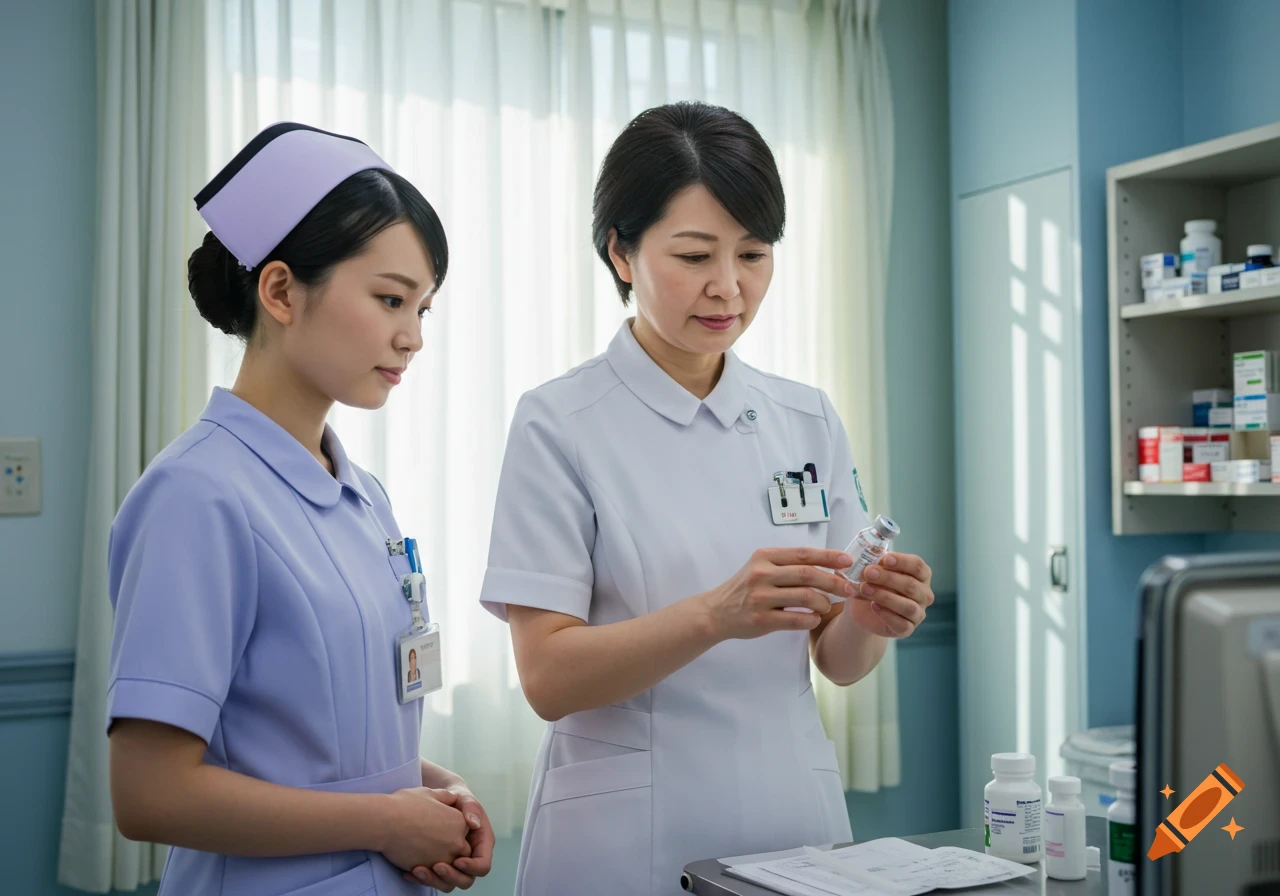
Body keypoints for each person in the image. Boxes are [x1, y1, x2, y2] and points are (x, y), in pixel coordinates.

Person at [480, 102, 936, 895]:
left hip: (793, 822)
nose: (728, 287)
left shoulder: (807, 417)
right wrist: (714, 616)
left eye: (753, 254)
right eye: (694, 255)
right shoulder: (559, 422)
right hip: (624, 842)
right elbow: (548, 677)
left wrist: (873, 617)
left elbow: (838, 661)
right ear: (621, 252)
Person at [107, 123, 492, 895]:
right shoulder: (196, 496)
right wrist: (385, 821)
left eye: (423, 309)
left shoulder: (364, 497)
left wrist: (435, 788)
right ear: (280, 291)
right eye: (390, 299)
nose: (412, 338)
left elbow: (319, 745)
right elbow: (150, 794)